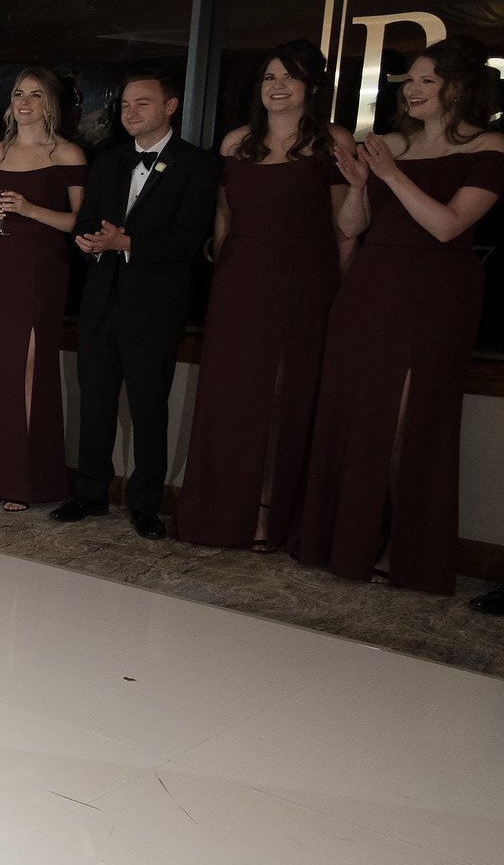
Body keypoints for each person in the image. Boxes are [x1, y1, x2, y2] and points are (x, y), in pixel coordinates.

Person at [292, 37, 504, 593]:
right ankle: (342, 540)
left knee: (410, 425)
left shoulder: (490, 146)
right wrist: (361, 185)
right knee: (355, 416)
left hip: (437, 293)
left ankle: (401, 547)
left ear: (457, 89)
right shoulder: (385, 144)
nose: (411, 89)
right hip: (370, 290)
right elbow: (352, 228)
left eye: (426, 80)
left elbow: (448, 225)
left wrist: (389, 175)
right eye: (408, 79)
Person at [177, 42, 353, 550]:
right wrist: (221, 278)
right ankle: (222, 509)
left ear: (313, 88)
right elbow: (225, 218)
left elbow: (344, 230)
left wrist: (337, 297)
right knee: (233, 397)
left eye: (289, 78)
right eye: (269, 77)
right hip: (240, 280)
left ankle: (272, 513)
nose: (276, 86)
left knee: (285, 395)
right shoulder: (236, 142)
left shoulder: (333, 141)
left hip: (306, 280)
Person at [50, 70, 219, 539]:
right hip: (101, 299)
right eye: (125, 105)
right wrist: (88, 242)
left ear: (171, 106)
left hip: (155, 305)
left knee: (148, 406)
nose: (130, 113)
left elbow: (188, 239)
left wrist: (127, 241)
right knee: (95, 401)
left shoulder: (196, 165)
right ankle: (90, 494)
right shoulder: (108, 161)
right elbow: (85, 221)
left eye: (142, 104)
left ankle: (146, 503)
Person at [0, 68, 87, 511]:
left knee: (29, 367)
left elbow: (79, 224)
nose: (25, 102)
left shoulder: (67, 153)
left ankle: (25, 478)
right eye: (18, 94)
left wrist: (29, 208)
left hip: (43, 266)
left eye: (35, 95)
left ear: (51, 104)